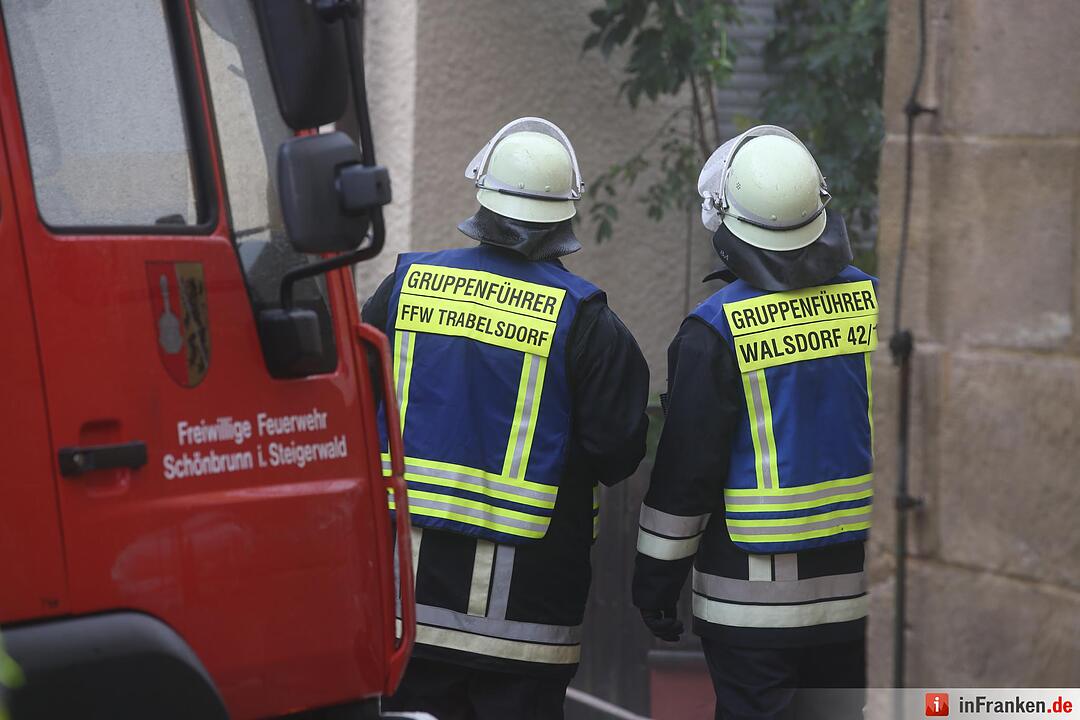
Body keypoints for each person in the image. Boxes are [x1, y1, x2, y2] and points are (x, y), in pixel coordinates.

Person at [366, 117, 650, 720]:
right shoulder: (589, 322)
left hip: (404, 605)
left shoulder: (404, 289)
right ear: (565, 219)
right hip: (527, 622)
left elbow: (352, 404)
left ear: (483, 201)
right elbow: (619, 451)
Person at [632, 125, 876, 720]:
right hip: (860, 597)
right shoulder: (874, 303)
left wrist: (655, 583)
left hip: (751, 609)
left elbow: (686, 476)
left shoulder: (715, 329)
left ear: (729, 225)